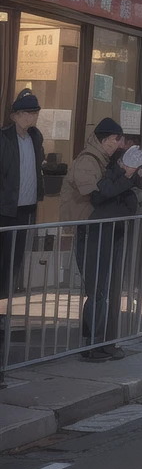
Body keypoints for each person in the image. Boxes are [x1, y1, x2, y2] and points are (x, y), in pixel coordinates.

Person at [59, 118, 142, 361]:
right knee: (97, 289)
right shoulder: (88, 161)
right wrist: (125, 173)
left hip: (108, 228)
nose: (118, 145)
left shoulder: (106, 159)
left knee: (107, 289)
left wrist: (132, 170)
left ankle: (105, 341)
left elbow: (138, 183)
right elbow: (100, 194)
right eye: (114, 141)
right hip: (92, 229)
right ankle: (91, 344)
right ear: (104, 140)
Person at [1, 90, 45, 354]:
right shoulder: (4, 138)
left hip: (26, 207)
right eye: (28, 112)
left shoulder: (35, 137)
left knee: (13, 264)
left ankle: (4, 312)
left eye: (35, 112)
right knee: (3, 262)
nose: (32, 117)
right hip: (5, 208)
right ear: (16, 115)